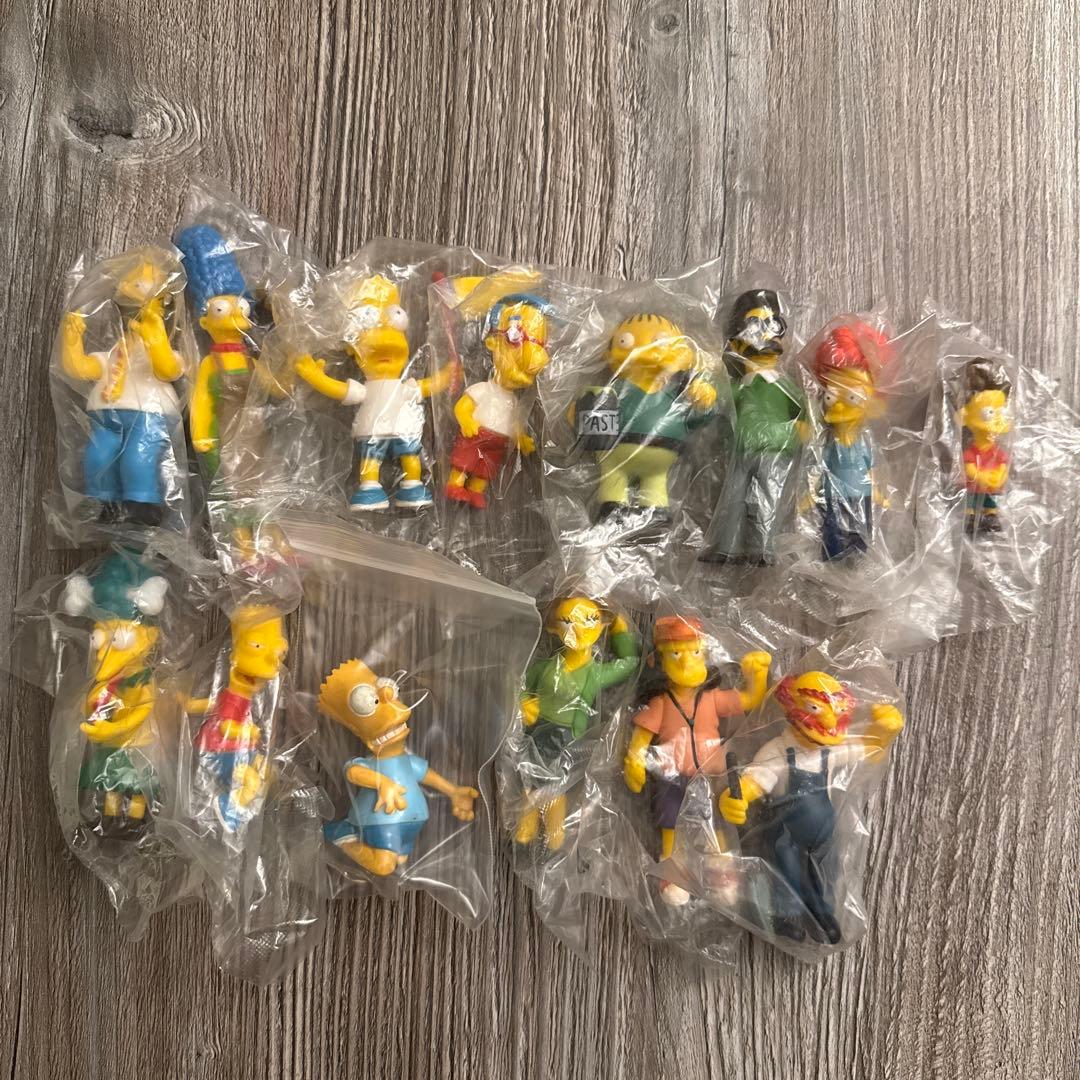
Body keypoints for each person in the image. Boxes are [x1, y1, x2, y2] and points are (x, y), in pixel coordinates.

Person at [622, 615, 771, 905]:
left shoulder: (711, 698)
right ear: (660, 661)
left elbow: (749, 700)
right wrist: (635, 760)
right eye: (676, 654)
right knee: (669, 823)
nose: (687, 662)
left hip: (709, 774)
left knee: (715, 821)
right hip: (671, 774)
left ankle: (721, 871)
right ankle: (673, 873)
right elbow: (641, 736)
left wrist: (758, 675)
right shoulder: (661, 703)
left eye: (694, 652)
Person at [701, 289, 806, 563]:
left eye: (771, 326)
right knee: (733, 498)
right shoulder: (738, 387)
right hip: (740, 449)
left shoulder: (785, 387)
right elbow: (720, 405)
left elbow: (802, 410)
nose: (763, 336)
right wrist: (709, 395)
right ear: (736, 343)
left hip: (774, 449)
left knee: (766, 498)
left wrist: (801, 430)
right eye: (754, 326)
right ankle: (727, 545)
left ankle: (761, 548)